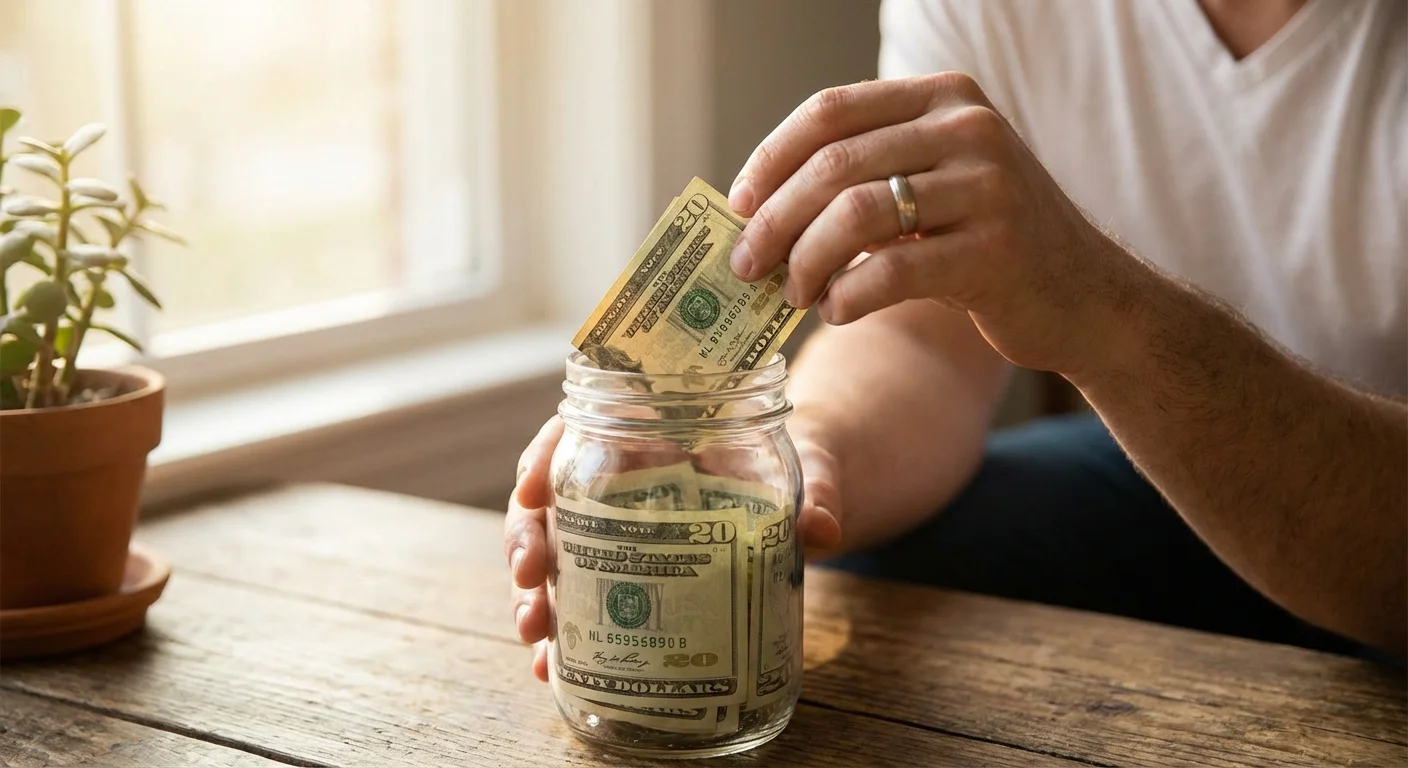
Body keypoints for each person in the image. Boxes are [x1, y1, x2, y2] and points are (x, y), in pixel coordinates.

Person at [505, 0, 1406, 679]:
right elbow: (926, 339)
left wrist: (1104, 309)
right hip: (1149, 465)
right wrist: (794, 453)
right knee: (846, 571)